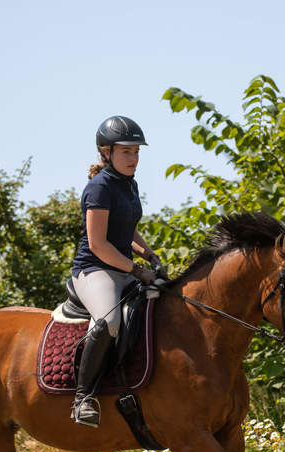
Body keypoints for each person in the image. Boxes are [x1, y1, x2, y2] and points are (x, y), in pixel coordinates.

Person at [67, 115, 168, 427]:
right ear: (106, 152)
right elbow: (98, 244)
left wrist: (150, 256)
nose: (133, 158)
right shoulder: (98, 189)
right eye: (127, 152)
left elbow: (127, 231)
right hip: (95, 270)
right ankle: (83, 398)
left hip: (124, 267)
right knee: (109, 321)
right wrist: (138, 271)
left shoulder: (129, 184)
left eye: (137, 152)